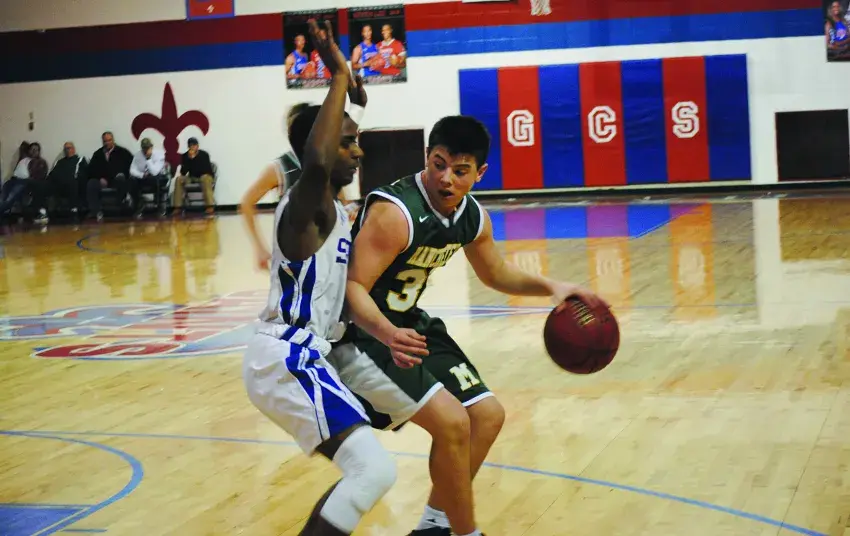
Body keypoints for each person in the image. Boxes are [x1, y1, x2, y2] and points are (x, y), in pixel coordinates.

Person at [331, 115, 607, 536]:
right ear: (427, 156)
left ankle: (434, 524)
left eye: (460, 171)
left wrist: (553, 286)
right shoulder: (395, 213)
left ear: (480, 173)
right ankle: (466, 532)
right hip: (364, 332)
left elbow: (495, 273)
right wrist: (388, 333)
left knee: (487, 416)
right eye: (438, 164)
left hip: (408, 325)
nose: (446, 178)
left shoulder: (472, 217)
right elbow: (352, 289)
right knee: (453, 423)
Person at [242, 20, 425, 536]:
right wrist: (339, 74)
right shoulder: (308, 203)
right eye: (347, 143)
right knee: (374, 470)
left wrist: (345, 80)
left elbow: (349, 118)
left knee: (368, 470)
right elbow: (319, 161)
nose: (358, 150)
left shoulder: (335, 208)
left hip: (312, 353)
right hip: (287, 357)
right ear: (319, 150)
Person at [241, 98, 365, 272]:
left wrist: (351, 209)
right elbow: (247, 203)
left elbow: (341, 202)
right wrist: (259, 247)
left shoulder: (328, 163)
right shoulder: (280, 168)